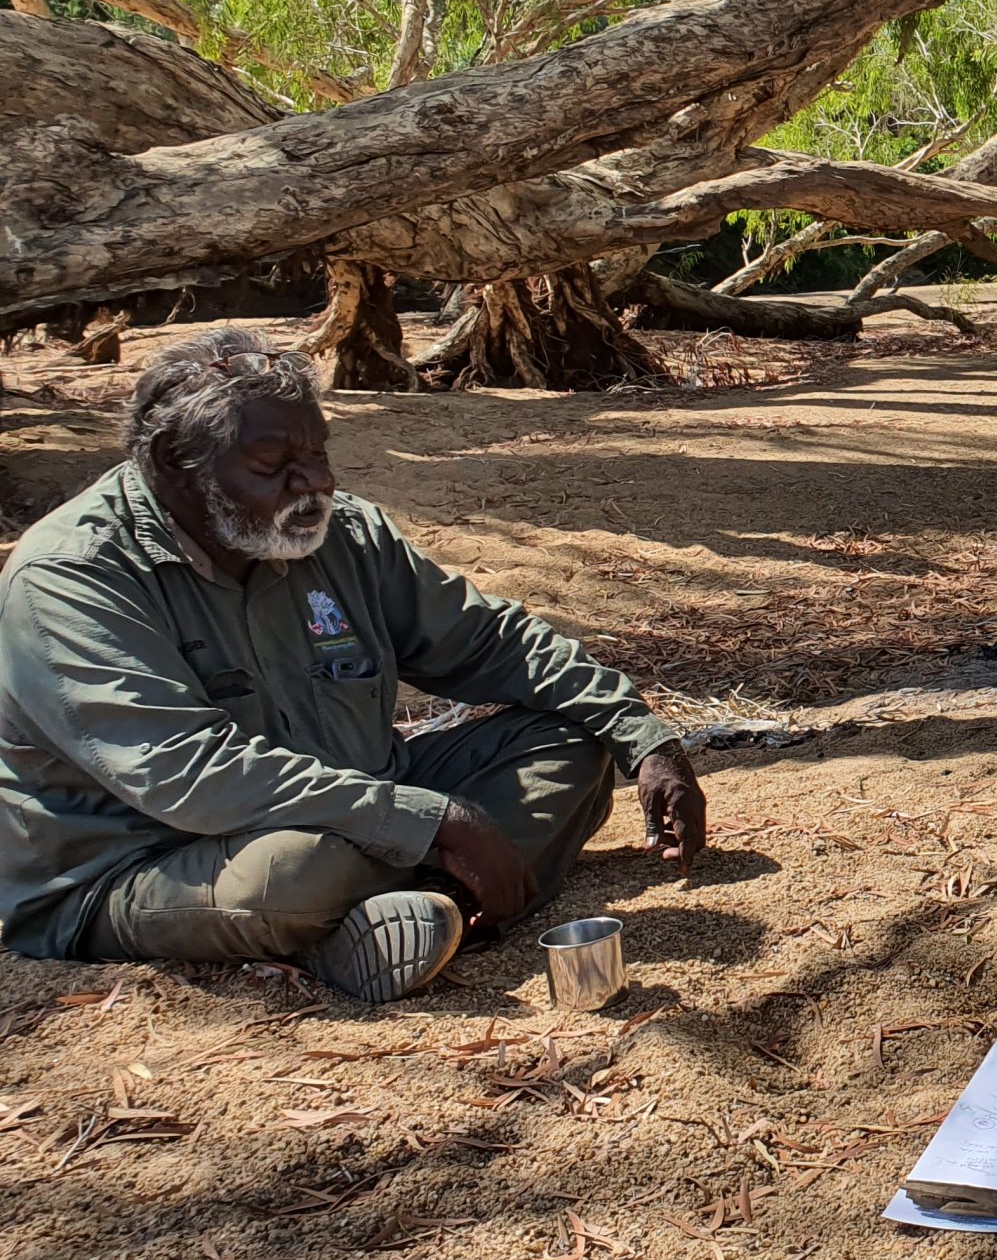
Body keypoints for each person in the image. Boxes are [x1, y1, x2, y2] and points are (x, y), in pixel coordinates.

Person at [0, 329, 710, 1003]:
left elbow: (490, 640)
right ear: (173, 466)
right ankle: (397, 906)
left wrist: (641, 735)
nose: (312, 486)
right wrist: (428, 820)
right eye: (272, 467)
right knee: (293, 877)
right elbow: (187, 773)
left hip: (355, 806)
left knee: (569, 743)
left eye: (318, 456)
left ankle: (435, 913)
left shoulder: (343, 534)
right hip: (145, 859)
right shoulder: (71, 577)